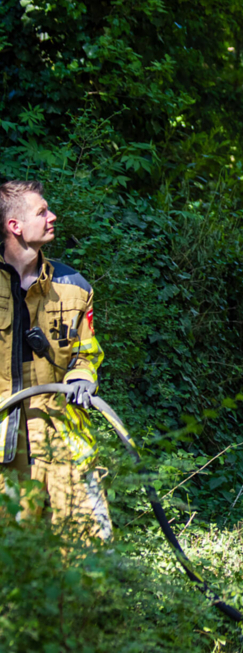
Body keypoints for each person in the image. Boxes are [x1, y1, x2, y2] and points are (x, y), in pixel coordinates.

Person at [0, 180, 110, 541]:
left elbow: (85, 350)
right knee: (15, 559)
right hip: (5, 445)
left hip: (66, 437)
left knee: (91, 545)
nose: (53, 216)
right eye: (41, 212)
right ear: (14, 226)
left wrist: (82, 374)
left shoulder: (74, 286)